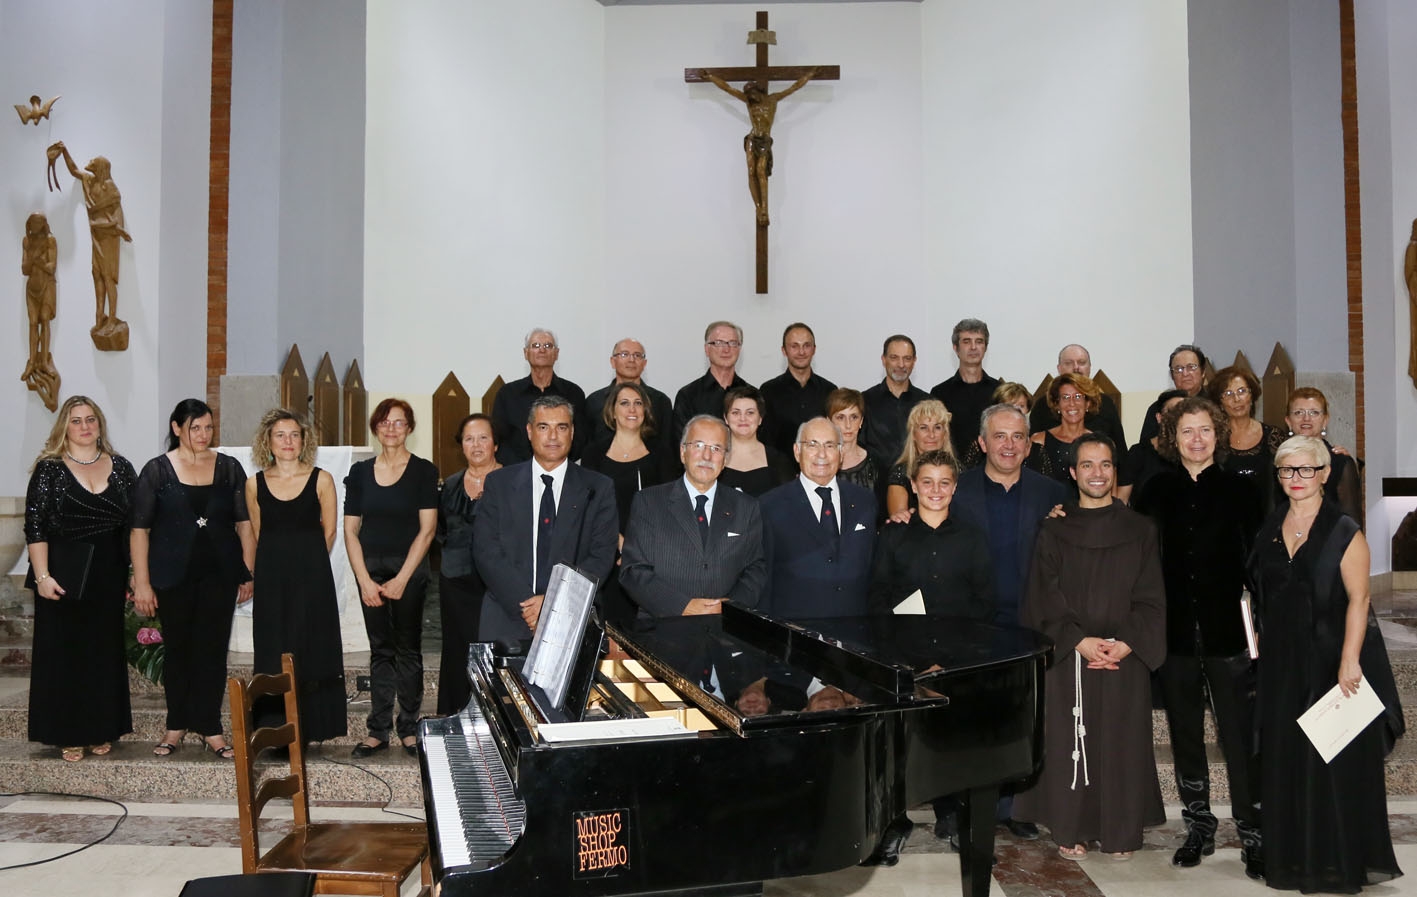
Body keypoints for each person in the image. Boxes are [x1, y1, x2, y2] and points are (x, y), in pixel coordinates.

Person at [1249, 436, 1404, 891]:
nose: (1295, 479)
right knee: (1287, 760)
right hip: (1281, 663)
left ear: (1322, 474)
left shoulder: (1344, 531)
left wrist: (1350, 660)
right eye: (1286, 471)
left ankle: (1337, 861)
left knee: (1331, 763)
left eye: (1304, 470)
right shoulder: (1271, 525)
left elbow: (1360, 600)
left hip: (1330, 659)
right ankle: (1292, 858)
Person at [1013, 434, 1167, 861]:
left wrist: (1127, 642)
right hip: (1071, 654)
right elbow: (1043, 594)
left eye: (1104, 465)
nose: (1096, 473)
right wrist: (1078, 640)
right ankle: (1071, 828)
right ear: (1072, 472)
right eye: (1087, 465)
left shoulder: (1140, 528)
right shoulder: (1054, 528)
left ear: (1115, 471)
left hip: (1124, 655)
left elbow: (1151, 594)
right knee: (1070, 743)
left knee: (1121, 742)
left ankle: (1120, 832)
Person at [1133, 397, 1264, 873]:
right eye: (1186, 431)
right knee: (1186, 735)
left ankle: (1252, 832)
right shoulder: (1154, 492)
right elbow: (1140, 566)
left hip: (1229, 634)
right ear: (1173, 438)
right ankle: (1199, 826)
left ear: (1218, 435)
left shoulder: (1241, 491)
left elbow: (1257, 567)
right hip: (1174, 639)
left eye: (1204, 430)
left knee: (1239, 737)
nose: (1196, 439)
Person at [950, 403, 1065, 841]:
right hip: (971, 626)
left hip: (1028, 625)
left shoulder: (1052, 494)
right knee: (969, 723)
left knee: (1021, 721)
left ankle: (1017, 806)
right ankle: (960, 808)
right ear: (981, 443)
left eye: (1018, 436)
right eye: (999, 436)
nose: (1009, 445)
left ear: (1029, 444)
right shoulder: (956, 490)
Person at [131, 399, 253, 759]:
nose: (202, 434)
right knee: (180, 650)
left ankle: (211, 727)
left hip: (219, 573)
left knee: (212, 651)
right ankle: (176, 725)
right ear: (176, 428)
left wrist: (246, 571)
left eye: (208, 427)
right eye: (195, 427)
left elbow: (245, 524)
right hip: (172, 575)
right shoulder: (156, 471)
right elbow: (139, 530)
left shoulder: (229, 468)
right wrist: (142, 582)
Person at [24, 396, 136, 762]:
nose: (85, 426)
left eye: (91, 419)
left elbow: (135, 526)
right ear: (64, 428)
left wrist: (136, 573)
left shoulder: (120, 467)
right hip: (63, 574)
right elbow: (35, 526)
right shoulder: (50, 469)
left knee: (102, 654)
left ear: (100, 425)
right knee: (65, 655)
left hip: (108, 573)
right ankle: (68, 733)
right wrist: (42, 576)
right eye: (76, 421)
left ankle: (101, 728)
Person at [473, 396, 619, 646]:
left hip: (571, 620)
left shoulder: (598, 488)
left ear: (572, 432)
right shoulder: (499, 483)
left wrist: (552, 604)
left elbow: (601, 556)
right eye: (543, 427)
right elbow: (487, 551)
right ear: (529, 431)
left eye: (561, 427)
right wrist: (528, 607)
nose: (553, 436)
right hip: (508, 618)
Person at [343, 398, 439, 758]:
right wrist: (365, 580)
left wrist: (402, 577)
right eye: (385, 422)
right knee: (380, 650)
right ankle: (377, 730)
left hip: (409, 571)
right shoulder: (360, 473)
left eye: (399, 422)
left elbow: (427, 531)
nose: (391, 428)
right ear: (375, 427)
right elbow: (351, 531)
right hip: (370, 571)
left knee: (408, 650)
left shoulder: (423, 472)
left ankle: (410, 729)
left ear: (409, 428)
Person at [245, 409, 346, 741]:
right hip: (273, 578)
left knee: (311, 645)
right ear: (268, 442)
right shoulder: (254, 484)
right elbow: (260, 533)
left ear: (304, 441)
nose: (287, 442)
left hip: (312, 576)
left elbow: (329, 533)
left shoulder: (322, 479)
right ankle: (275, 728)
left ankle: (315, 726)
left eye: (294, 435)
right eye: (280, 435)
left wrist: (307, 564)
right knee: (274, 646)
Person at [620, 415, 767, 617]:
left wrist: (729, 607)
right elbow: (633, 571)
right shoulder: (649, 502)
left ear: (725, 460)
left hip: (724, 629)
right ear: (683, 452)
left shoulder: (746, 507)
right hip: (662, 629)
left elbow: (756, 569)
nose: (707, 456)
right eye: (698, 445)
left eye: (716, 449)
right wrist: (683, 606)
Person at [760, 417, 877, 619]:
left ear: (841, 454)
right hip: (795, 633)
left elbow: (872, 570)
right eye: (812, 445)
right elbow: (762, 579)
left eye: (830, 445)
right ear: (797, 451)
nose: (822, 454)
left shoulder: (865, 501)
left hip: (855, 632)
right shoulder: (770, 506)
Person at [581, 383, 675, 629]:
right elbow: (589, 508)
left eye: (638, 403)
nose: (632, 409)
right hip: (606, 555)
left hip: (650, 556)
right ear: (612, 411)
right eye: (624, 403)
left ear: (646, 410)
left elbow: (669, 509)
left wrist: (636, 550)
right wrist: (621, 544)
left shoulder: (662, 454)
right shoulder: (593, 454)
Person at [869, 450, 992, 618]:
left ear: (954, 486)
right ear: (913, 485)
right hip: (904, 639)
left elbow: (986, 601)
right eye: (927, 482)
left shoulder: (973, 538)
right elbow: (878, 595)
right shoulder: (892, 535)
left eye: (944, 483)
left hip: (959, 640)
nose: (936, 490)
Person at [434, 413, 500, 716]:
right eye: (469, 438)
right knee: (457, 651)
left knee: (493, 649)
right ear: (461, 445)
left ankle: (495, 718)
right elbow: (441, 533)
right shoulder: (448, 485)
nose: (476, 445)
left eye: (483, 437)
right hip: (455, 583)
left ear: (495, 444)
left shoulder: (512, 481)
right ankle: (455, 715)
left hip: (497, 586)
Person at [699, 68, 819, 226]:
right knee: (751, 172)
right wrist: (710, 77)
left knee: (761, 171)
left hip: (764, 140)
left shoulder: (773, 100)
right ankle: (758, 207)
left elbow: (794, 87)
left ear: (758, 91)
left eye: (752, 93)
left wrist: (809, 75)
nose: (750, 97)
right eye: (748, 95)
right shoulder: (749, 103)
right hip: (751, 138)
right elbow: (727, 88)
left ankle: (765, 207)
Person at [46, 142, 131, 348]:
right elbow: (74, 170)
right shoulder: (88, 180)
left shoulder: (109, 187)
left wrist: (115, 227)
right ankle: (99, 314)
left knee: (108, 277)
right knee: (97, 275)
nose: (89, 164)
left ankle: (112, 318)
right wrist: (64, 151)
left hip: (108, 237)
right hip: (97, 237)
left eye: (94, 163)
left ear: (101, 167)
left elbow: (116, 217)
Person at [491, 328, 590, 464]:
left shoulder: (573, 393)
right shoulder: (507, 394)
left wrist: (556, 464)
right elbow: (499, 439)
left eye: (548, 346)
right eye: (536, 345)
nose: (542, 350)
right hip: (516, 474)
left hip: (562, 473)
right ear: (526, 353)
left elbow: (580, 438)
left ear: (556, 353)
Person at [1209, 365, 1284, 510]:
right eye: (1228, 393)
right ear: (1220, 403)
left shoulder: (1274, 436)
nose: (1236, 399)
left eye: (1242, 391)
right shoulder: (1212, 438)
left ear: (1252, 396)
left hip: (1267, 523)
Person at [1285, 387, 1363, 524]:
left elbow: (1352, 522)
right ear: (1288, 421)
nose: (1306, 418)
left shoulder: (1340, 462)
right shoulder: (1279, 461)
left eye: (1314, 412)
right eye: (1298, 412)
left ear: (1325, 420)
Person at [1028, 344, 1126, 449]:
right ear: (1059, 368)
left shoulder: (1106, 403)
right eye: (1069, 363)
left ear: (1089, 367)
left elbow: (1120, 453)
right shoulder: (1043, 405)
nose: (1076, 368)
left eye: (1082, 363)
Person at [759, 322, 837, 454]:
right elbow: (764, 438)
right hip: (779, 470)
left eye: (806, 345)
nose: (801, 352)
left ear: (814, 349)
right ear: (784, 350)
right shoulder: (768, 391)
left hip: (820, 466)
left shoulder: (830, 391)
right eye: (794, 346)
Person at [583, 338, 674, 446]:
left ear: (644, 363)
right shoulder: (594, 401)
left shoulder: (660, 402)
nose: (631, 360)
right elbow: (587, 445)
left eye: (637, 355)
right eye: (624, 354)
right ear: (612, 362)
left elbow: (667, 447)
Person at [930, 319, 1000, 459]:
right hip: (953, 472)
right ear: (956, 348)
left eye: (979, 341)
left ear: (985, 348)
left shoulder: (999, 390)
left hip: (993, 471)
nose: (973, 347)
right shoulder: (939, 393)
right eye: (967, 341)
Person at [672, 321, 750, 446]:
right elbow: (681, 445)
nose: (726, 349)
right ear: (707, 349)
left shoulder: (751, 395)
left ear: (739, 349)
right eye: (718, 343)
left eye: (733, 343)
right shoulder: (688, 395)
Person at [861, 334, 929, 470]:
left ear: (914, 361)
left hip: (919, 484)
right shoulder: (864, 401)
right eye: (894, 358)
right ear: (883, 360)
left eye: (907, 358)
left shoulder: (927, 403)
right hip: (875, 486)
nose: (901, 364)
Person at [718, 386, 795, 497]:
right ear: (726, 418)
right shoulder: (714, 457)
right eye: (735, 413)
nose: (742, 418)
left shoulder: (779, 461)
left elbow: (790, 503)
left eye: (750, 413)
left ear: (760, 418)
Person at [1114, 389, 1186, 505]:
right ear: (1159, 417)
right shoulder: (1138, 453)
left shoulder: (1193, 452)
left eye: (1184, 412)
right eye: (1173, 411)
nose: (1178, 417)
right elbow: (1121, 500)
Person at [1030, 373, 1099, 491]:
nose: (1072, 403)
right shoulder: (1039, 441)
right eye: (1065, 397)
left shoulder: (1100, 443)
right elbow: (1030, 486)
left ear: (1087, 403)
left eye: (1077, 396)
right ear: (1057, 404)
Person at [884, 399, 951, 519]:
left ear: (945, 434)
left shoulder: (958, 470)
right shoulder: (900, 473)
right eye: (923, 428)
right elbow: (899, 521)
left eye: (937, 427)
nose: (931, 434)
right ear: (914, 434)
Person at [1139, 345, 1210, 444]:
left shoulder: (1215, 403)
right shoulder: (1158, 408)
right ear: (1172, 376)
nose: (1185, 373)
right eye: (1178, 369)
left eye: (1191, 367)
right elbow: (1146, 447)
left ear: (1203, 372)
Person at [825, 388, 880, 495]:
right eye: (841, 417)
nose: (848, 425)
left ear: (861, 421)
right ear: (829, 421)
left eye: (854, 417)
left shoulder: (876, 463)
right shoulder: (818, 462)